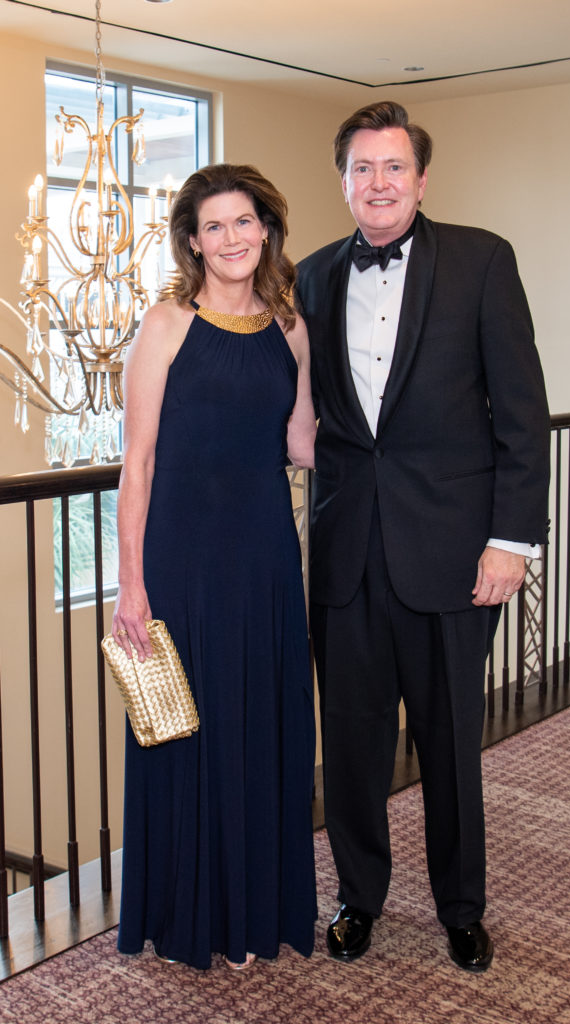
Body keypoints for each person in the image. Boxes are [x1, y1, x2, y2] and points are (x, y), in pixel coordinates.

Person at [296, 101, 550, 972]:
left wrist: (510, 542)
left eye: (392, 167)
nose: (377, 183)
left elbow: (520, 413)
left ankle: (460, 907)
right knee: (354, 746)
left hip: (451, 552)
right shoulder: (312, 275)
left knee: (449, 747)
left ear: (420, 178)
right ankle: (357, 897)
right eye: (361, 168)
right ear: (342, 182)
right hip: (345, 554)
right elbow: (309, 418)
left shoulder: (481, 260)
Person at [112, 163, 318, 970]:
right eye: (214, 227)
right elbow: (139, 464)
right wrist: (132, 585)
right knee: (186, 734)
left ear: (265, 228)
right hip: (182, 556)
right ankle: (188, 916)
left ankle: (253, 913)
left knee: (262, 725)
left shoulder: (290, 329)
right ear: (192, 242)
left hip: (265, 552)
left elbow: (301, 444)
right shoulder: (166, 324)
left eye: (244, 222)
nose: (231, 238)